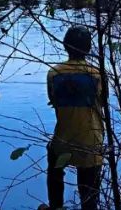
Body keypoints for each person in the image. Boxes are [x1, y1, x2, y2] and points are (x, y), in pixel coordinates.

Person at [43, 26, 103, 210]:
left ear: (65, 46)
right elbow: (102, 101)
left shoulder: (54, 73)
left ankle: (56, 206)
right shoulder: (96, 74)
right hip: (91, 140)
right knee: (89, 190)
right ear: (88, 48)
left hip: (63, 138)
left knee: (54, 168)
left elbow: (53, 101)